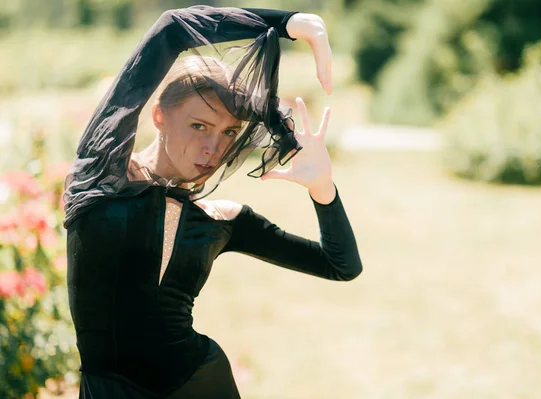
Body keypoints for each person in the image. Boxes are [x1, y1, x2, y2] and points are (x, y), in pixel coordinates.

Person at [64, 5, 362, 399]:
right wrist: (287, 24)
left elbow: (340, 266)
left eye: (228, 133)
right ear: (159, 116)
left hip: (199, 385)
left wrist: (323, 189)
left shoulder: (224, 219)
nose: (213, 148)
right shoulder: (101, 174)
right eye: (199, 126)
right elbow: (171, 30)